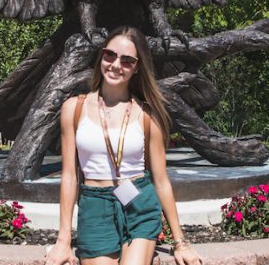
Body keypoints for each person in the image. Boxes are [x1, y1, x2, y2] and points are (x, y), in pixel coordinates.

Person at [45, 26, 202, 265]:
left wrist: (180, 242)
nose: (116, 65)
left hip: (137, 201)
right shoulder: (73, 109)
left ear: (137, 67)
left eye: (127, 60)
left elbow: (161, 181)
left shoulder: (148, 115)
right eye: (110, 55)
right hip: (95, 206)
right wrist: (63, 241)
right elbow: (69, 176)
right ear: (102, 56)